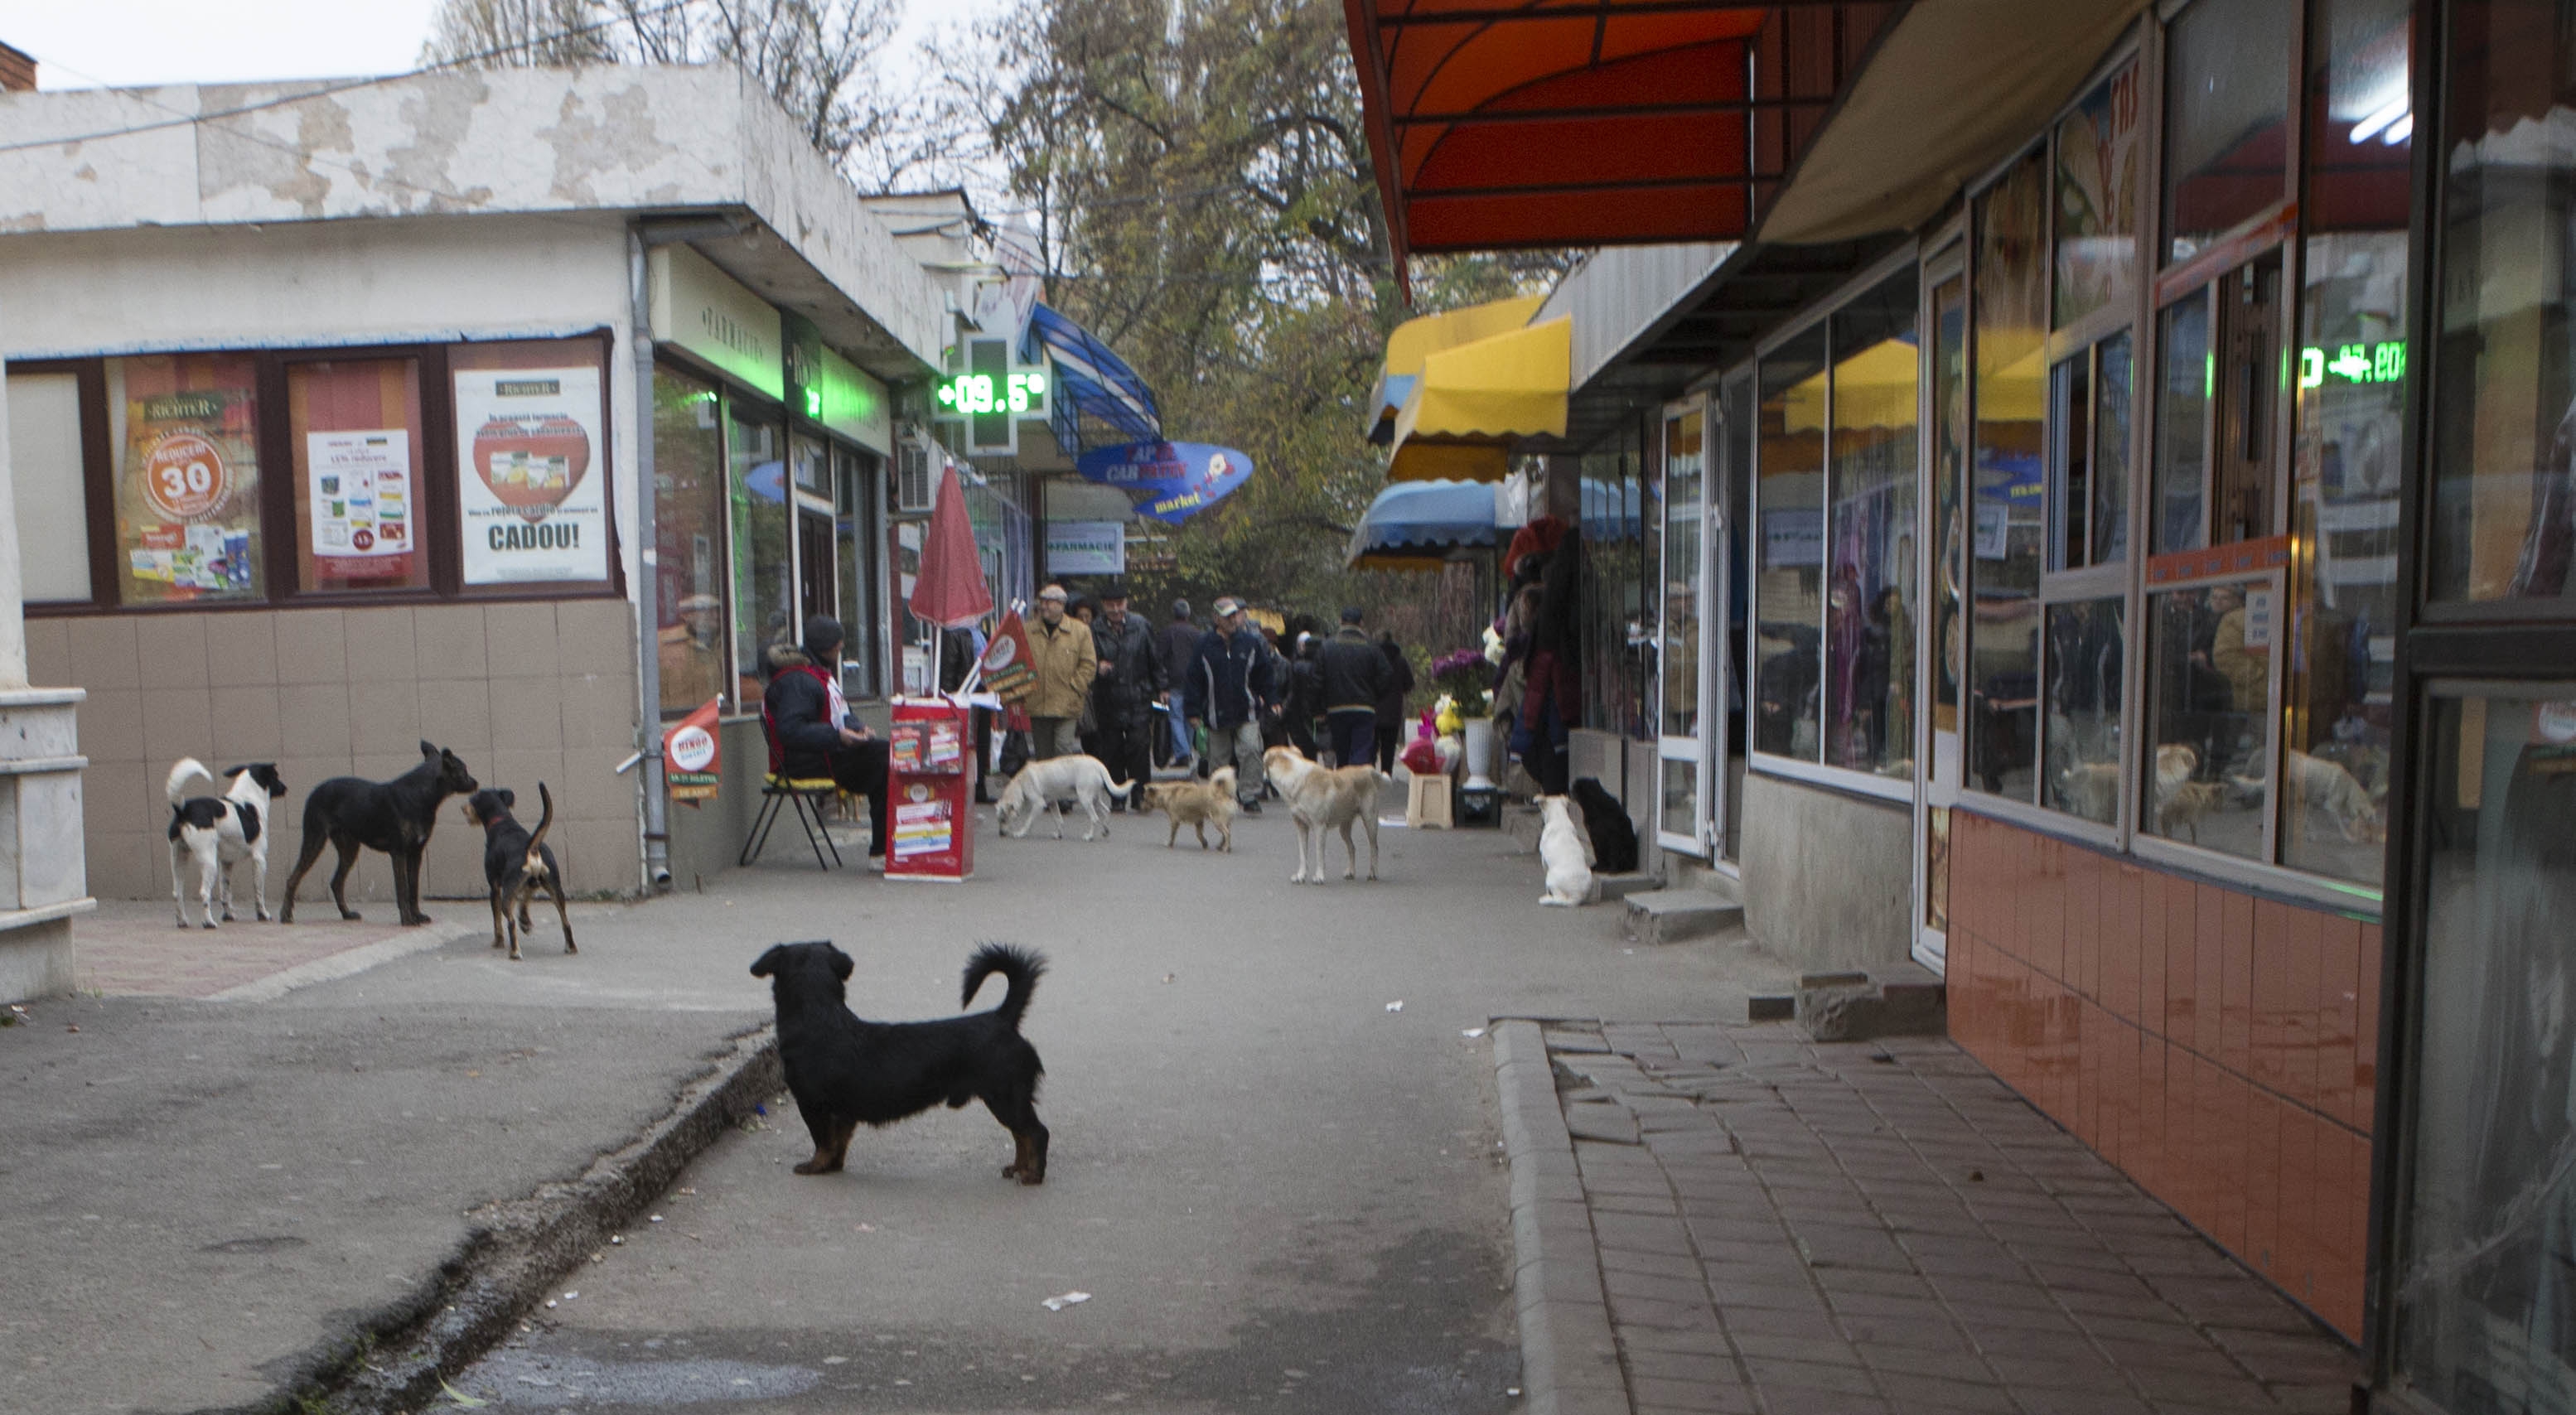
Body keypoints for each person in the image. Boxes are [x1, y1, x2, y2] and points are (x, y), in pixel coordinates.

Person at [760, 616, 889, 859]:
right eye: (838, 644)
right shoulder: (798, 680)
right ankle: (882, 851)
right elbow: (790, 731)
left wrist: (859, 728)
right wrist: (837, 736)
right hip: (802, 762)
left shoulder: (819, 675)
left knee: (885, 755)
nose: (841, 648)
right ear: (826, 647)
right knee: (884, 759)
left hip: (825, 752)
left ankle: (885, 847)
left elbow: (842, 713)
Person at [1184, 596, 1275, 813]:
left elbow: (1264, 674)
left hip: (1247, 710)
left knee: (1251, 750)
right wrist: (1192, 711)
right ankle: (1221, 797)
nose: (1233, 620)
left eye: (1236, 615)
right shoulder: (1204, 645)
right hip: (1215, 712)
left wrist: (1273, 699)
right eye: (1228, 616)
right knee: (1218, 760)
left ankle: (1249, 795)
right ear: (1216, 618)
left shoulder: (1251, 642)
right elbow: (1193, 679)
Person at [1085, 580, 1164, 808]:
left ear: (1127, 603)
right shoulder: (1094, 630)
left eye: (1120, 604)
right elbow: (1085, 662)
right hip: (1107, 698)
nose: (1116, 609)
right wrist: (1097, 668)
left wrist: (1163, 688)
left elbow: (1155, 659)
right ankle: (1117, 797)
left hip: (1138, 696)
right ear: (1103, 605)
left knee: (1139, 747)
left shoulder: (1141, 625)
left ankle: (1141, 796)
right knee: (1112, 749)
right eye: (1111, 605)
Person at [1024, 584, 1096, 761]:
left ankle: (1062, 781)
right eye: (1042, 601)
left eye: (1049, 602)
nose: (1044, 606)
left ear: (1062, 605)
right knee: (1043, 758)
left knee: (1063, 751)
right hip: (1038, 704)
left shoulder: (1080, 631)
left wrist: (1075, 688)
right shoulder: (1028, 630)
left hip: (1067, 704)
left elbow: (1088, 664)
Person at [1318, 606, 1390, 768]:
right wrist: (1374, 695)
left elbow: (1317, 679)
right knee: (1361, 753)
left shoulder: (1327, 647)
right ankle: (1357, 780)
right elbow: (1386, 674)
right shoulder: (1372, 647)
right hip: (1364, 708)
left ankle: (1344, 780)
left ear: (1340, 621)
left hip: (1336, 708)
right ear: (1361, 623)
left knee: (1342, 754)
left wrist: (1321, 706)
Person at [657, 592, 726, 710]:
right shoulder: (661, 643)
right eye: (707, 611)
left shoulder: (727, 644)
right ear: (686, 615)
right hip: (677, 718)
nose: (715, 616)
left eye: (717, 611)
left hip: (714, 716)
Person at [1158, 600, 1200, 768]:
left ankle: (1182, 753)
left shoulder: (1167, 633)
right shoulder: (1196, 633)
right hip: (1194, 682)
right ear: (1188, 614)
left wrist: (1162, 686)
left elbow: (1159, 660)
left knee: (1176, 718)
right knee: (1190, 718)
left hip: (1174, 681)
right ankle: (1186, 750)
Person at [1373, 630, 1414, 773]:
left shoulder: (1373, 660)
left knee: (1371, 749)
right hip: (1393, 712)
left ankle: (1371, 775)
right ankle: (1387, 775)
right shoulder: (1401, 661)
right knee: (1389, 749)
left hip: (1373, 711)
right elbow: (1409, 685)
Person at [1283, 632, 1323, 760]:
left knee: (1304, 749)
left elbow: (1293, 692)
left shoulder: (1297, 666)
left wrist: (1285, 711)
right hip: (1318, 714)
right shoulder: (1322, 667)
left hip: (1299, 715)